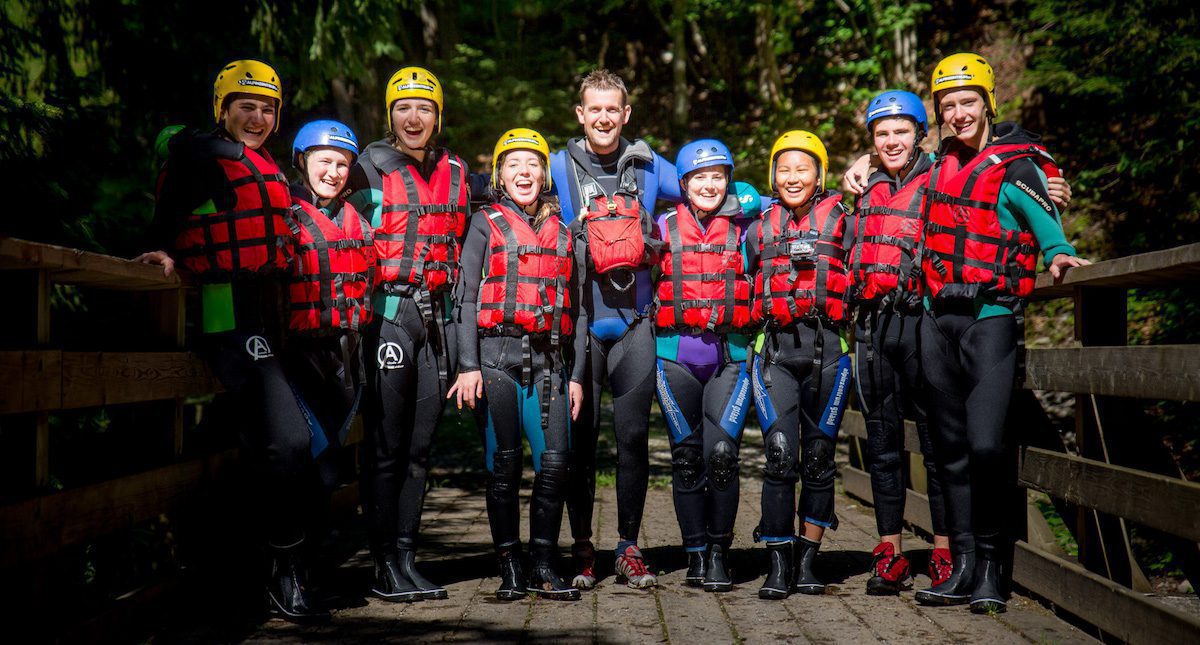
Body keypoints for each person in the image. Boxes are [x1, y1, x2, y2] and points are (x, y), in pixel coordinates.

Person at [138, 60, 330, 623]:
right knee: (289, 441)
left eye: (268, 108)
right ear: (222, 108)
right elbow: (165, 219)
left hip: (269, 320)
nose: (258, 116)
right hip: (229, 317)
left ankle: (245, 567)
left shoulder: (265, 165)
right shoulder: (201, 155)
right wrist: (158, 251)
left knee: (301, 445)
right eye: (246, 105)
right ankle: (285, 573)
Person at [910, 53, 1089, 613]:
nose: (959, 114)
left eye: (968, 102)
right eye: (948, 106)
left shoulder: (1016, 167)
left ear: (988, 103)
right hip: (937, 321)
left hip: (990, 319)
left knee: (987, 446)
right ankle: (962, 566)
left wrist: (1060, 256)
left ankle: (992, 565)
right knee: (951, 450)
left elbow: (1049, 230)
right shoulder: (937, 167)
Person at [550, 69, 680, 589]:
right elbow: (499, 187)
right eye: (593, 109)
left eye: (613, 110)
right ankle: (583, 547)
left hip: (635, 327)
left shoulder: (650, 167)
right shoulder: (557, 167)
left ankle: (628, 545)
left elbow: (715, 185)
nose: (604, 118)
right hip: (580, 330)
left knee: (631, 442)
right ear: (580, 114)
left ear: (626, 114)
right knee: (580, 443)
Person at [345, 66, 470, 602]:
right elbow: (317, 217)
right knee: (387, 448)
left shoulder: (457, 172)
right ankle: (381, 566)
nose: (413, 117)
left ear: (437, 117)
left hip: (435, 323)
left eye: (424, 108)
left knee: (420, 451)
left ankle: (405, 558)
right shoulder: (365, 170)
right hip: (389, 317)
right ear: (388, 114)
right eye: (403, 107)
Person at [448, 128, 585, 601]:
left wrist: (579, 376)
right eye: (514, 165)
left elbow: (580, 309)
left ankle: (544, 561)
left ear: (545, 174)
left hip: (550, 364)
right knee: (503, 467)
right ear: (500, 174)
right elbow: (464, 299)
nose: (524, 172)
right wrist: (467, 364)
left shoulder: (565, 231)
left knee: (555, 467)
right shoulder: (484, 224)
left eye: (533, 164)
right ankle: (510, 564)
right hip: (495, 361)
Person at [846, 90, 952, 595]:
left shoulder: (943, 175)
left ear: (919, 134)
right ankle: (889, 550)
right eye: (882, 133)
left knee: (935, 442)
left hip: (920, 323)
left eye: (900, 131)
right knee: (883, 442)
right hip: (871, 326)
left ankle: (945, 548)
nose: (891, 141)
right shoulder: (863, 186)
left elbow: (1001, 154)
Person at [746, 131, 854, 598]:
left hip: (829, 350)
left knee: (819, 456)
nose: (793, 177)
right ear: (773, 175)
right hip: (775, 352)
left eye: (802, 169)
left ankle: (809, 560)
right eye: (784, 169)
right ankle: (777, 560)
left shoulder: (846, 223)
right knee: (780, 456)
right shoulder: (757, 228)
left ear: (819, 175)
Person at [649, 140, 755, 592]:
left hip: (730, 358)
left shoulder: (748, 229)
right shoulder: (662, 225)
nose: (709, 185)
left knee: (722, 456)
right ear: (684, 184)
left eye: (718, 176)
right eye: (699, 177)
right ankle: (694, 553)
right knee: (688, 459)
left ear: (728, 180)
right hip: (674, 359)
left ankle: (718, 551)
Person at [284, 119, 375, 491]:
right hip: (297, 353)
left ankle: (311, 546)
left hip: (344, 359)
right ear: (302, 162)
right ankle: (286, 546)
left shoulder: (359, 223)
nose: (333, 172)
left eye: (342, 164)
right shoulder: (284, 214)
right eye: (324, 161)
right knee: (308, 456)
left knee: (330, 466)